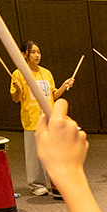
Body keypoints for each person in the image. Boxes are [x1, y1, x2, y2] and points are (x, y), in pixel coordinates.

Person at [10, 41, 74, 196]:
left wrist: (64, 86)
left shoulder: (46, 73)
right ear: (24, 54)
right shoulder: (18, 73)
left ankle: (55, 182)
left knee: (53, 152)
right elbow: (16, 98)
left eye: (38, 52)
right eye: (33, 52)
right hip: (32, 118)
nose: (37, 55)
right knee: (34, 154)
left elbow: (52, 96)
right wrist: (17, 90)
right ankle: (36, 184)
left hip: (49, 118)